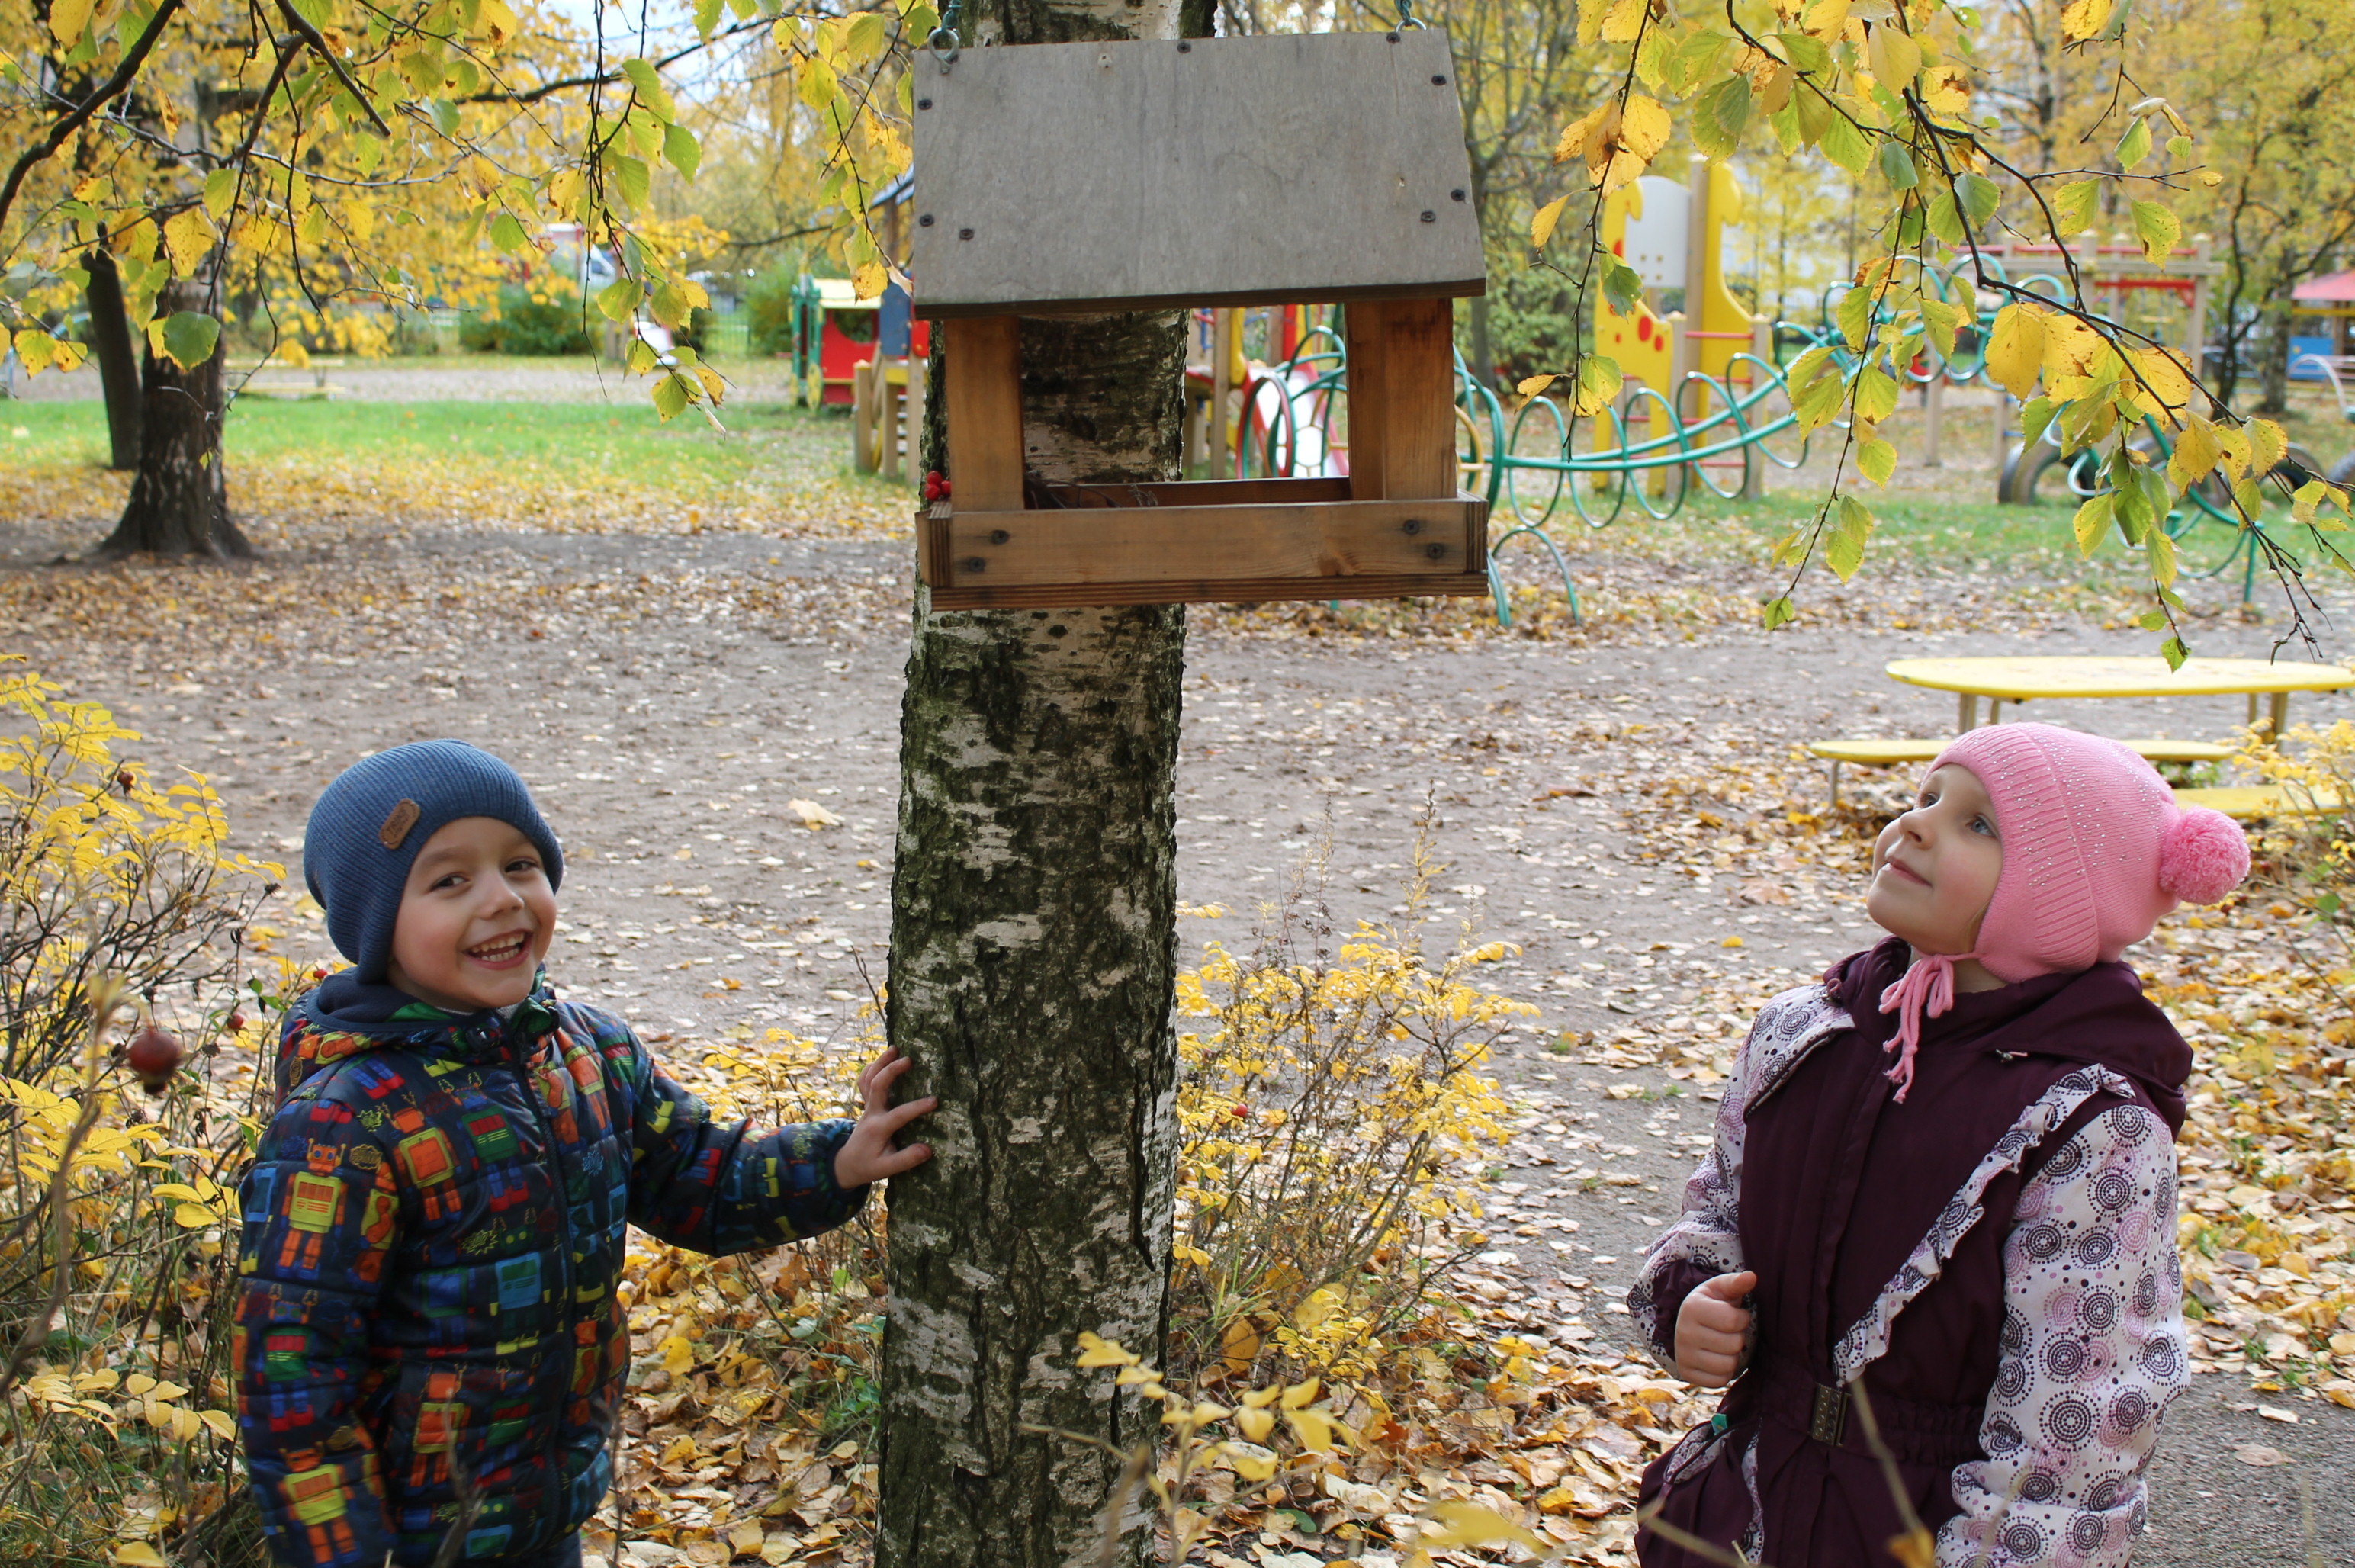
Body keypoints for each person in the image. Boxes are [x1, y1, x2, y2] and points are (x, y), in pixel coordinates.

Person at [234, 741, 936, 1568]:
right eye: (450, 880)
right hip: (413, 1538)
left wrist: (837, 1162)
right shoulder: (344, 1122)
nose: (502, 899)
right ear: (376, 922)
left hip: (545, 1512)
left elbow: (694, 1179)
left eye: (521, 864)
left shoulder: (587, 1052)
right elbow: (294, 1373)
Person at [1627, 722, 2251, 1566]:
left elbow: (2076, 1427)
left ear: (2055, 896)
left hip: (1921, 1531)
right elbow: (1717, 1207)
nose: (1915, 822)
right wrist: (1693, 1297)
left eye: (1977, 824)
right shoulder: (1805, 1031)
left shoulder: (2088, 1126)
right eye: (1926, 797)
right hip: (1743, 1507)